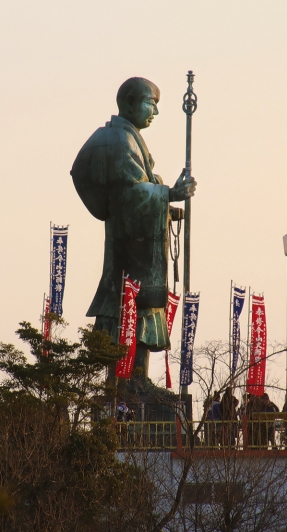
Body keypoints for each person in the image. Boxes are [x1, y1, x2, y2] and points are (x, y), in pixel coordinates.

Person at [71, 77, 197, 380]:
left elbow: (138, 190)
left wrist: (166, 206)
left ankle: (137, 379)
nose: (154, 111)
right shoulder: (118, 141)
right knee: (130, 309)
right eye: (150, 103)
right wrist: (168, 193)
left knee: (137, 312)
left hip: (133, 247)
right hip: (129, 253)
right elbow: (130, 193)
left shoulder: (126, 138)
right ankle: (126, 382)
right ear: (129, 102)